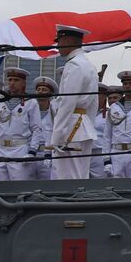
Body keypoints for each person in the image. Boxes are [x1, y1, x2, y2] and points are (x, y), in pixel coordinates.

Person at [50, 25, 98, 180]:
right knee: (80, 175)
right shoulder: (88, 64)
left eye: (60, 41)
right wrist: (89, 124)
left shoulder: (74, 65)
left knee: (67, 177)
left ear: (68, 40)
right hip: (82, 125)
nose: (58, 46)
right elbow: (93, 103)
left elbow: (67, 102)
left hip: (70, 127)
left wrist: (57, 136)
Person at [0, 67, 40, 183]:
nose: (12, 83)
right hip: (0, 148)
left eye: (16, 80)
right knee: (0, 184)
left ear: (23, 83)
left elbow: (37, 128)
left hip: (19, 148)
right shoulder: (1, 101)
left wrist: (32, 151)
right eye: (10, 80)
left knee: (18, 184)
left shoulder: (30, 102)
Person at [30, 76, 56, 180]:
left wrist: (49, 154)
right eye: (38, 90)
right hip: (30, 153)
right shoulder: (29, 109)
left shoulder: (54, 112)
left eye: (44, 90)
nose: (40, 92)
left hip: (47, 154)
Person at [89, 84, 112, 180]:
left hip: (100, 153)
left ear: (104, 97)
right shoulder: (85, 113)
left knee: (100, 182)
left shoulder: (109, 113)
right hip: (84, 153)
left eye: (98, 95)